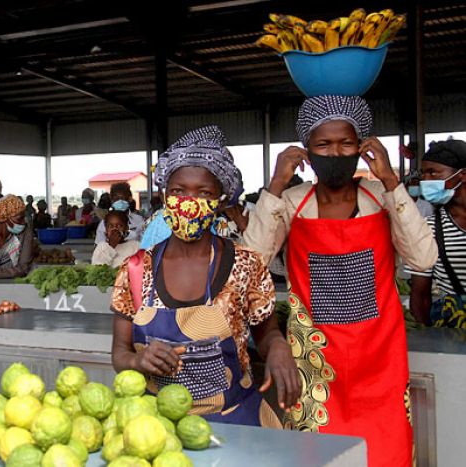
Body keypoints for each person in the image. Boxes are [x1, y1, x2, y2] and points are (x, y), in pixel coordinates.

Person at [243, 96, 437, 466]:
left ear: (362, 147)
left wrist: (392, 181)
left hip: (380, 357)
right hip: (314, 360)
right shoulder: (291, 201)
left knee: (386, 452)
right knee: (318, 456)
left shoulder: (382, 198)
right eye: (323, 145)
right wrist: (276, 184)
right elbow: (252, 262)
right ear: (307, 152)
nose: (335, 153)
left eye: (346, 143)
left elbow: (423, 258)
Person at [111, 125, 298, 427]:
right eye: (178, 191)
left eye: (204, 193)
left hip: (235, 421)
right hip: (157, 428)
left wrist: (278, 348)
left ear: (221, 200)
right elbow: (120, 351)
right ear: (164, 196)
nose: (188, 202)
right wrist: (137, 361)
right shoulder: (135, 269)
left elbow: (268, 334)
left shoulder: (245, 265)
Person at [408, 140, 466, 327]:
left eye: (433, 172)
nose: (426, 180)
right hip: (454, 329)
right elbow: (420, 296)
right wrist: (427, 339)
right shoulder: (428, 228)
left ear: (462, 174)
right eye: (424, 173)